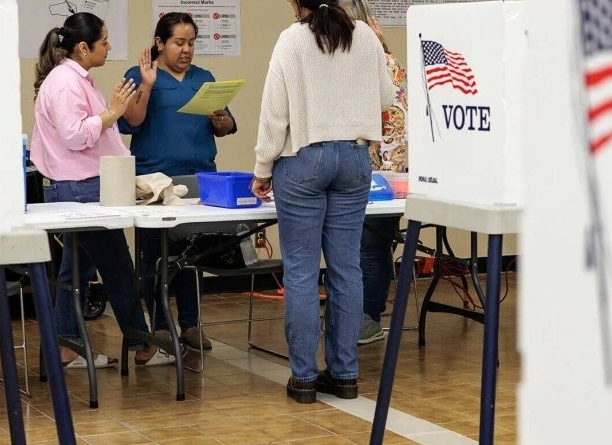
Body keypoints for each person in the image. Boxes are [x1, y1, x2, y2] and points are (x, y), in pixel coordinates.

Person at [250, 0, 395, 404]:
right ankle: (345, 375)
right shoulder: (364, 34)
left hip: (304, 158)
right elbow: (385, 97)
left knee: (300, 271)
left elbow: (274, 112)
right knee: (347, 269)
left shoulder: (292, 39)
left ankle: (304, 379)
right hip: (354, 158)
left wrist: (262, 167)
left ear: (297, 4)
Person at [31, 12, 174, 369]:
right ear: (83, 47)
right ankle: (143, 343)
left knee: (75, 271)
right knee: (118, 267)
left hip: (86, 185)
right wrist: (113, 112)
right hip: (83, 189)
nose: (109, 47)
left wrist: (112, 112)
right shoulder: (65, 82)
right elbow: (75, 135)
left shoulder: (75, 78)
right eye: (104, 41)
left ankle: (64, 346)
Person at [118, 12, 239, 353]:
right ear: (160, 43)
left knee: (191, 255)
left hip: (199, 180)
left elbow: (226, 128)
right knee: (153, 256)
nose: (186, 50)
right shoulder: (140, 75)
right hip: (154, 181)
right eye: (178, 43)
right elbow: (131, 121)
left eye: (191, 43)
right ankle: (157, 327)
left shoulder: (205, 78)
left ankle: (190, 324)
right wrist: (146, 84)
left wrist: (221, 119)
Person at [337, 0, 409, 346]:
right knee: (358, 248)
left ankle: (367, 316)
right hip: (355, 169)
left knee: (370, 247)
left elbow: (395, 130)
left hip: (382, 175)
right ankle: (356, 313)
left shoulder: (384, 64)